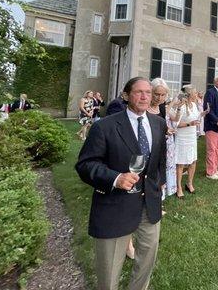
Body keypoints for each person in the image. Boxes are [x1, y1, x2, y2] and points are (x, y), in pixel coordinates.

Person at [75, 77, 167, 290]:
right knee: (109, 274)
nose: (145, 96)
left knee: (146, 261)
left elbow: (160, 159)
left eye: (148, 92)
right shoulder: (106, 126)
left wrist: (158, 184)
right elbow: (86, 165)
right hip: (115, 207)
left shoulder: (158, 123)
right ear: (126, 95)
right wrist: (116, 178)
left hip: (149, 205)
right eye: (139, 92)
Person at [174, 86, 208, 198]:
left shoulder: (194, 105)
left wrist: (205, 112)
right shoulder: (181, 106)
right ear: (189, 95)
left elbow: (197, 116)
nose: (197, 94)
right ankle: (178, 187)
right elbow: (176, 124)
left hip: (192, 137)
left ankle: (189, 183)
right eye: (195, 93)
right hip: (182, 138)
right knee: (180, 163)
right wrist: (189, 124)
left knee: (193, 161)